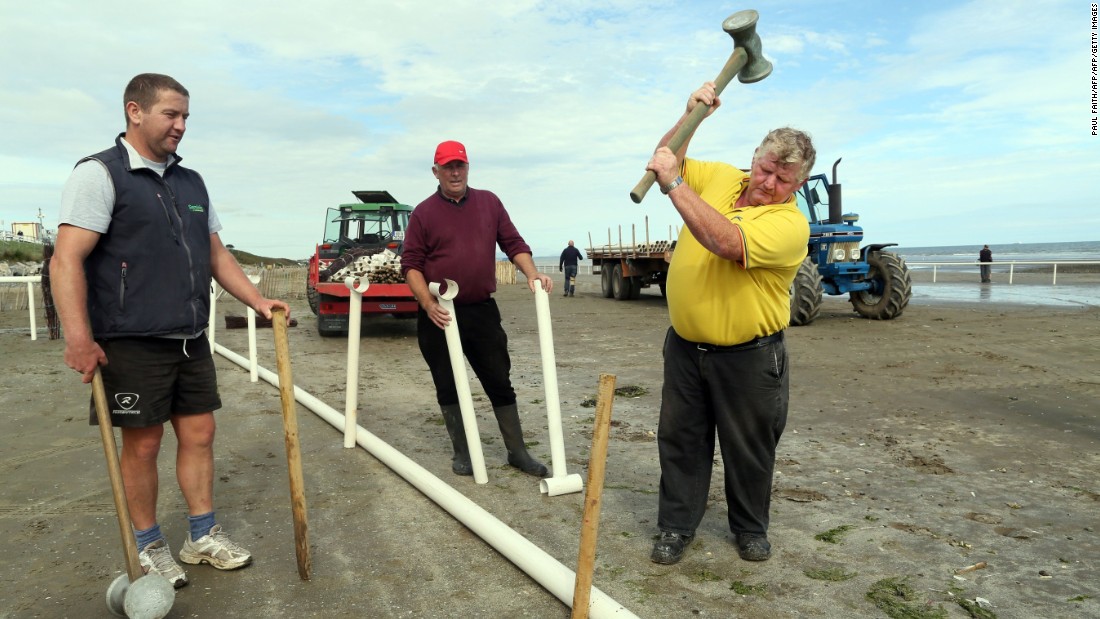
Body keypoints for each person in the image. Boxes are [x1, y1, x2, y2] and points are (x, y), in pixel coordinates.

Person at [50, 73, 289, 589]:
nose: (181, 126)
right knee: (142, 443)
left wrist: (256, 300)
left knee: (201, 433)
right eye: (171, 115)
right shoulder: (100, 174)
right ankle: (148, 545)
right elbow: (66, 259)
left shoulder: (191, 182)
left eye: (185, 117)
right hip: (129, 337)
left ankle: (201, 536)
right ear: (135, 112)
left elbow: (215, 254)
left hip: (188, 334)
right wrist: (78, 337)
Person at [644, 82, 813, 565]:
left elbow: (724, 240)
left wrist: (676, 184)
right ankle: (676, 527)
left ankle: (750, 529)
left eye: (783, 179)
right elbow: (664, 160)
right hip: (684, 348)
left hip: (750, 356)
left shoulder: (789, 225)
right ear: (754, 157)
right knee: (680, 442)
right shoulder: (721, 178)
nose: (767, 183)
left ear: (797, 185)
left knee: (749, 449)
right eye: (764, 169)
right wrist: (691, 114)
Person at [401, 140, 551, 478]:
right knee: (448, 383)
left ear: (468, 167)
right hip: (438, 315)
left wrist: (532, 273)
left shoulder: (489, 202)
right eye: (448, 166)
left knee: (499, 379)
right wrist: (427, 304)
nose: (455, 172)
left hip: (481, 311)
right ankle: (463, 452)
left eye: (460, 165)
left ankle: (518, 452)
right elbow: (410, 264)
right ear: (435, 172)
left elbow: (513, 243)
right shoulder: (423, 213)